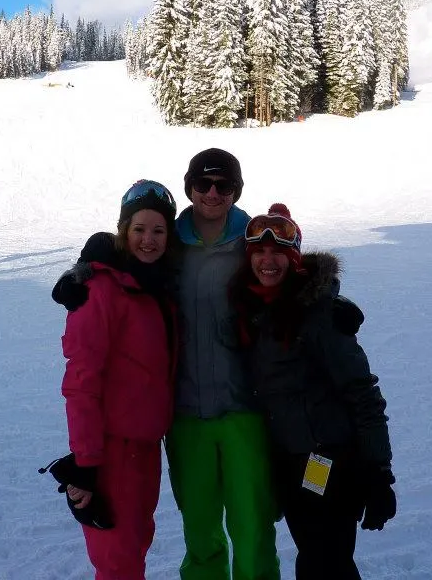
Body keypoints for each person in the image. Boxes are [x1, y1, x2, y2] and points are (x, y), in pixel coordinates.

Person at [53, 148, 281, 580]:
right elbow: (124, 250)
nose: (212, 193)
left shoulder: (250, 241)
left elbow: (288, 272)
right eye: (202, 184)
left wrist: (328, 297)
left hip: (243, 409)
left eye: (223, 185)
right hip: (184, 417)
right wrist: (87, 263)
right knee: (200, 531)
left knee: (252, 528)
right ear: (189, 187)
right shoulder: (170, 244)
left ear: (236, 190)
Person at [231, 204, 396, 580]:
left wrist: (379, 471)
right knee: (314, 558)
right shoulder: (252, 309)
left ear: (294, 259)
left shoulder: (318, 313)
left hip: (330, 461)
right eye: (259, 252)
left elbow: (363, 392)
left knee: (327, 563)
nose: (268, 261)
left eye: (278, 253)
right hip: (292, 464)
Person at [51, 179, 179, 580]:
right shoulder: (101, 288)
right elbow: (81, 383)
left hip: (145, 447)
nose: (148, 240)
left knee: (134, 549)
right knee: (118, 561)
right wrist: (87, 464)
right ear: (124, 230)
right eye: (139, 229)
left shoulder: (154, 285)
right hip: (111, 453)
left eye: (159, 230)